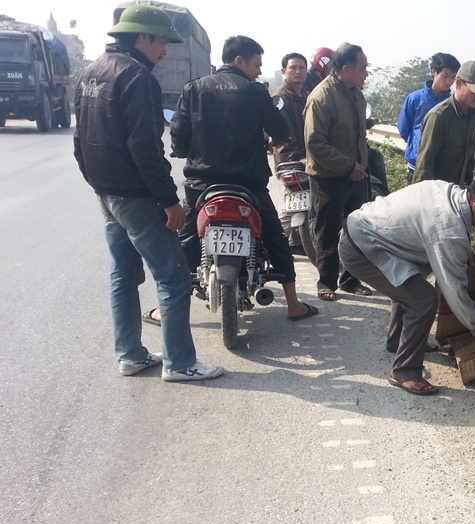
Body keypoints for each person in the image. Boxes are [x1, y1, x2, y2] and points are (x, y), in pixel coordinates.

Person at [73, 4, 224, 382]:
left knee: (123, 276)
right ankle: (180, 363)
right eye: (161, 41)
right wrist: (169, 201)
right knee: (173, 278)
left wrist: (97, 184)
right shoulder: (137, 76)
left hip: (108, 195)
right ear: (141, 37)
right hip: (136, 196)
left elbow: (80, 139)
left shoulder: (92, 71)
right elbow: (145, 148)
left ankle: (130, 355)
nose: (165, 50)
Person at [170, 36, 318, 322]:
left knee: (185, 242)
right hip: (248, 185)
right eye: (256, 65)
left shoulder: (194, 89)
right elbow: (281, 131)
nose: (259, 72)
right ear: (239, 61)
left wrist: (187, 150)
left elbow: (178, 136)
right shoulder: (255, 92)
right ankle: (293, 304)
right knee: (274, 238)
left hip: (202, 184)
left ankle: (171, 311)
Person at [339, 172, 475, 395]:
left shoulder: (448, 191)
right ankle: (405, 371)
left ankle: (398, 341)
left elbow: (438, 234)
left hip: (367, 231)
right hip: (361, 248)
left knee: (409, 286)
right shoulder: (448, 230)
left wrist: (461, 251)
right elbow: (454, 290)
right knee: (422, 299)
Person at [304, 43, 373, 301]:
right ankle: (326, 282)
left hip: (356, 175)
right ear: (346, 69)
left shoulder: (356, 94)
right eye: (363, 68)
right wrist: (348, 166)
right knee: (328, 231)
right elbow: (315, 143)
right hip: (328, 177)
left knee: (356, 231)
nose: (366, 73)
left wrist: (360, 166)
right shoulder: (321, 97)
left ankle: (351, 280)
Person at [412, 60, 475, 187]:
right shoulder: (439, 117)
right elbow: (424, 166)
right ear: (459, 84)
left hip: (457, 191)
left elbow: (468, 158)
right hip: (436, 191)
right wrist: (424, 195)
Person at [398, 52, 460, 185]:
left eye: (453, 78)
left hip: (442, 165)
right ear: (434, 72)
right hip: (416, 163)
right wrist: (417, 145)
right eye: (445, 76)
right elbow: (404, 129)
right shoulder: (415, 98)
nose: (449, 81)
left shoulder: (453, 103)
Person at [270, 52, 309, 254]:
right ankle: (272, 248)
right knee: (291, 206)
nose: (298, 71)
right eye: (293, 67)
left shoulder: (306, 96)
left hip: (307, 159)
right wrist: (296, 158)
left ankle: (296, 243)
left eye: (301, 67)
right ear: (284, 71)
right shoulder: (280, 98)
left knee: (303, 203)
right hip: (289, 161)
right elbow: (282, 135)